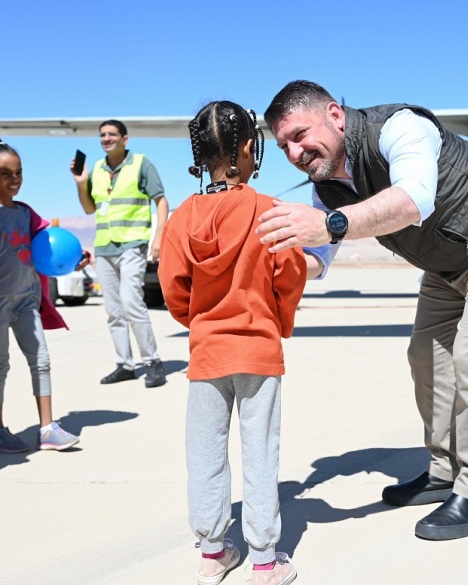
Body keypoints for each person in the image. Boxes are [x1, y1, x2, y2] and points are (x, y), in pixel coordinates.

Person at [258, 81, 468, 541]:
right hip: (447, 261)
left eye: (298, 134)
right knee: (426, 358)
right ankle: (442, 471)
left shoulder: (398, 127)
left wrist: (330, 225)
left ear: (334, 114)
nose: (294, 152)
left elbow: (414, 199)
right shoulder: (327, 189)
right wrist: (269, 265)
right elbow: (318, 259)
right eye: (282, 146)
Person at [159, 101, 305, 585]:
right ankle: (265, 560)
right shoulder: (269, 212)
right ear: (248, 148)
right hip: (258, 350)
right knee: (261, 452)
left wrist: (197, 321)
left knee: (204, 452)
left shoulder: (182, 217)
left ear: (200, 154)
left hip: (207, 352)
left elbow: (172, 286)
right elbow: (290, 276)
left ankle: (212, 552)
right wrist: (276, 323)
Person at [0, 138, 82, 452]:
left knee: (41, 361)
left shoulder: (26, 212)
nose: (14, 179)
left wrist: (76, 256)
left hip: (26, 300)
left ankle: (48, 429)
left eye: (19, 173)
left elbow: (48, 244)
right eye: (6, 173)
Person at [72, 119, 168, 388]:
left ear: (125, 139)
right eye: (102, 135)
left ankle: (153, 362)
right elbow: (90, 209)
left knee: (131, 302)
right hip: (104, 247)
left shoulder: (140, 164)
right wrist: (81, 183)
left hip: (132, 244)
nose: (106, 138)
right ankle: (124, 364)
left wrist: (159, 235)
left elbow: (161, 200)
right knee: (114, 310)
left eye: (112, 134)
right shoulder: (97, 169)